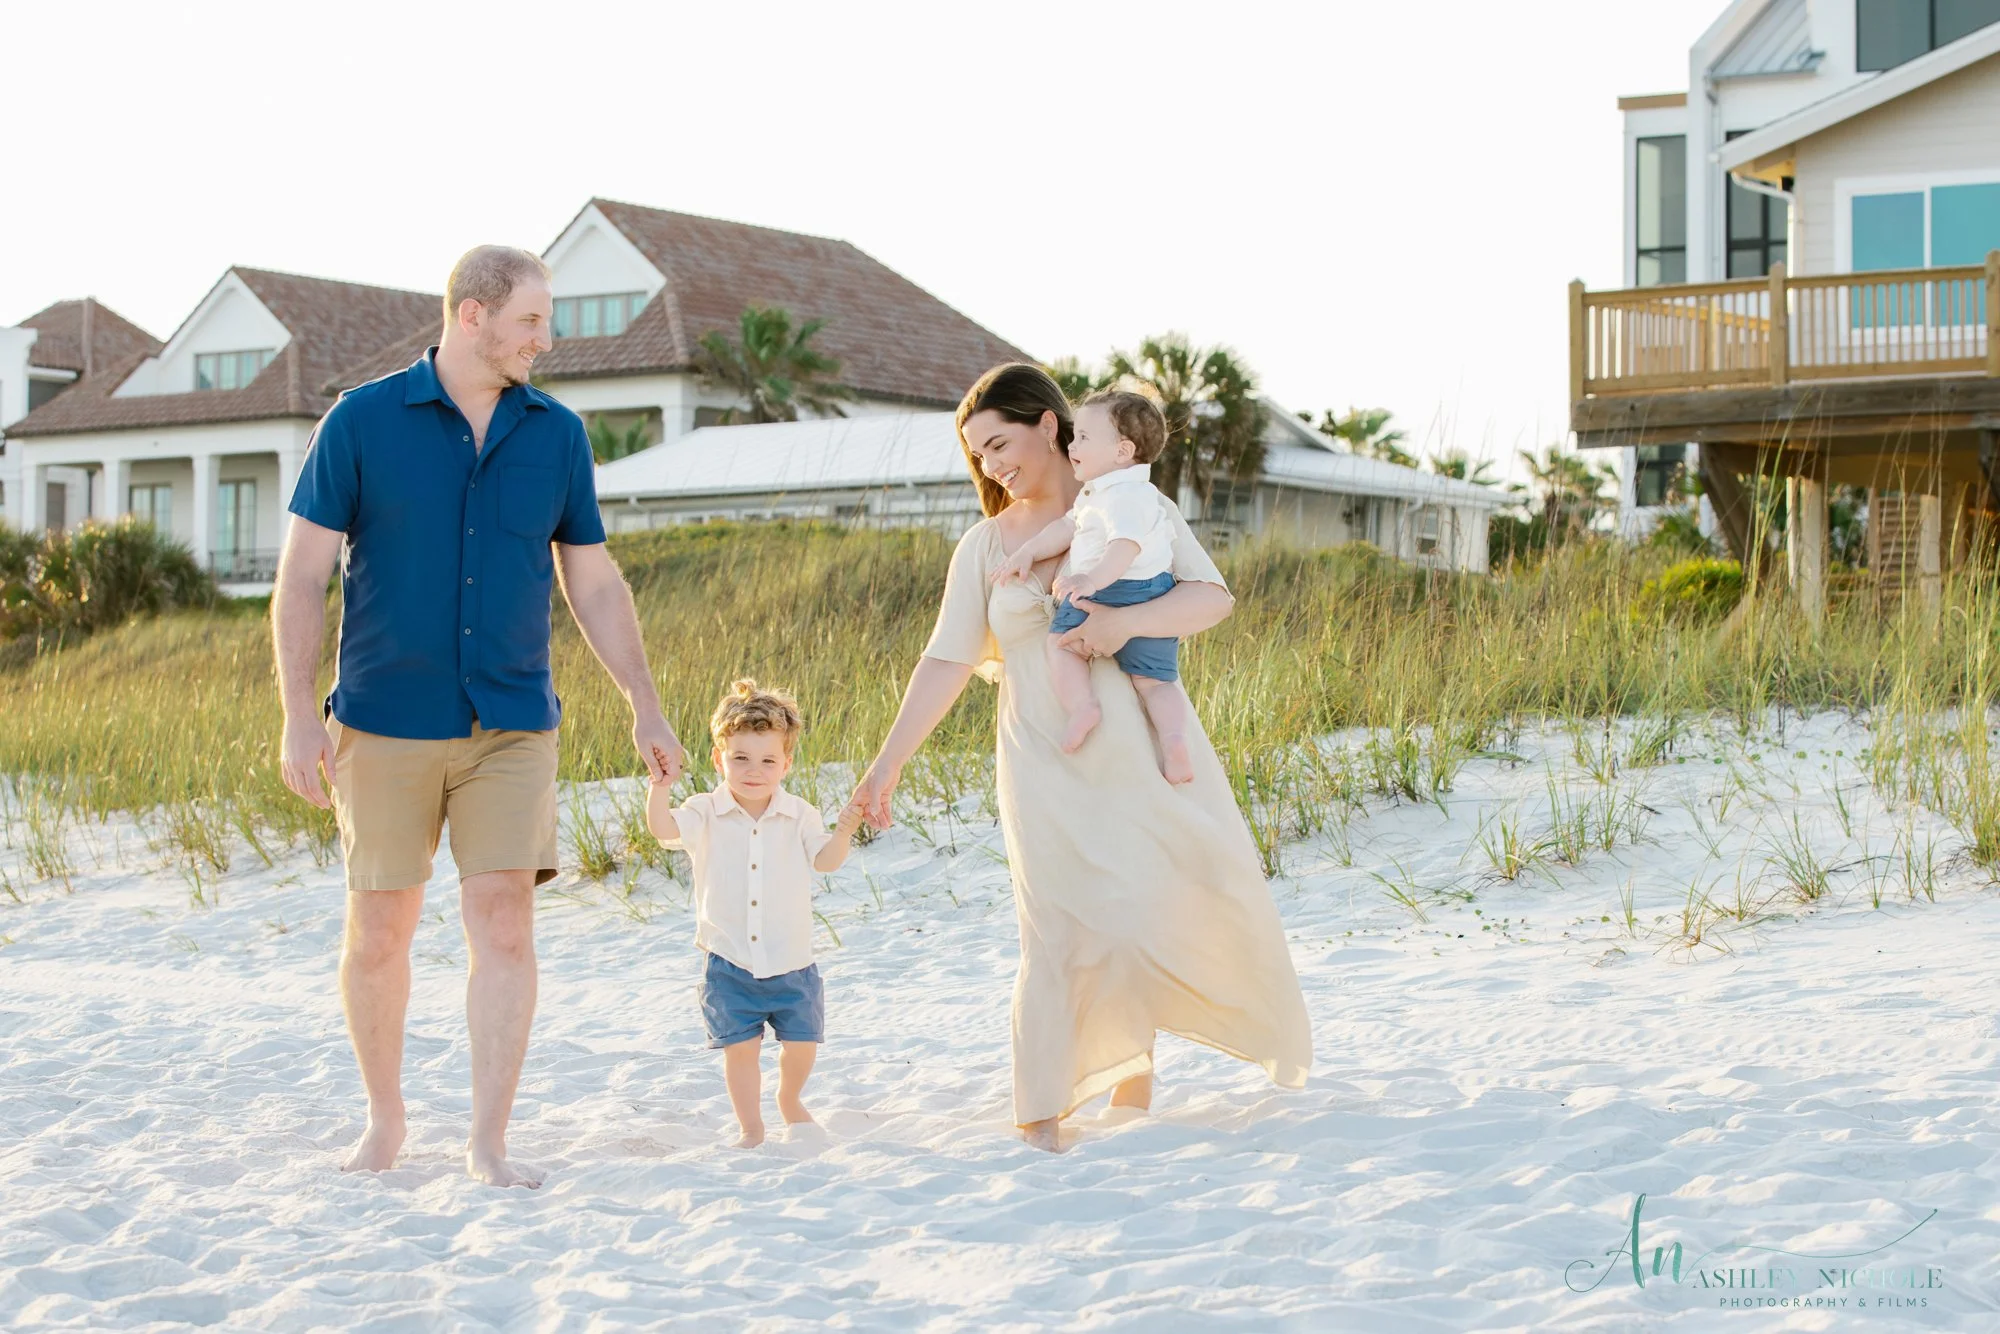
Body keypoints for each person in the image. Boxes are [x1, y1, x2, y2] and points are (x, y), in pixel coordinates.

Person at [272, 245, 685, 1188]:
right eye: (534, 320)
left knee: (504, 926)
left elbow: (593, 580)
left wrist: (645, 707)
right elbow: (300, 580)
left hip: (512, 722)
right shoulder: (361, 421)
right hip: (383, 721)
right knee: (380, 930)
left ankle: (487, 1142)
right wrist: (300, 716)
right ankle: (386, 1121)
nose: (549, 338)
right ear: (473, 315)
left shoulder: (557, 435)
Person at [849, 363, 1313, 1152]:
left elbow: (1212, 596)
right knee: (1058, 928)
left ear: (1050, 424)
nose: (992, 466)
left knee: (1142, 911)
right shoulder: (985, 544)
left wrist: (1128, 626)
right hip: (1042, 755)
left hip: (1141, 746)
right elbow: (947, 661)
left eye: (1000, 443)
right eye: (979, 456)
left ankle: (1130, 1099)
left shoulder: (1136, 501)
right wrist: (885, 765)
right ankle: (1041, 1114)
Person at [647, 680, 865, 1148]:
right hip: (729, 961)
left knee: (802, 1047)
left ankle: (790, 1100)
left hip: (792, 960)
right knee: (740, 1053)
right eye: (740, 758)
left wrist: (844, 831)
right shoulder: (702, 811)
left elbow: (824, 861)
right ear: (718, 759)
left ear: (786, 763)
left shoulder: (800, 814)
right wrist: (660, 789)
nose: (754, 770)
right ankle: (751, 1126)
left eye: (768, 760)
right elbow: (663, 829)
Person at [991, 389, 1195, 782]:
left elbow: (1125, 546)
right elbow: (1067, 528)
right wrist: (1030, 551)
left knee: (1061, 645)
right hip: (1151, 593)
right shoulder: (1102, 492)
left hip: (1117, 589)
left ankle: (1083, 706)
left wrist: (1089, 579)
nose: (1073, 443)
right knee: (1155, 681)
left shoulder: (1125, 496)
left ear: (1122, 451)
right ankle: (1173, 739)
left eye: (1084, 437)